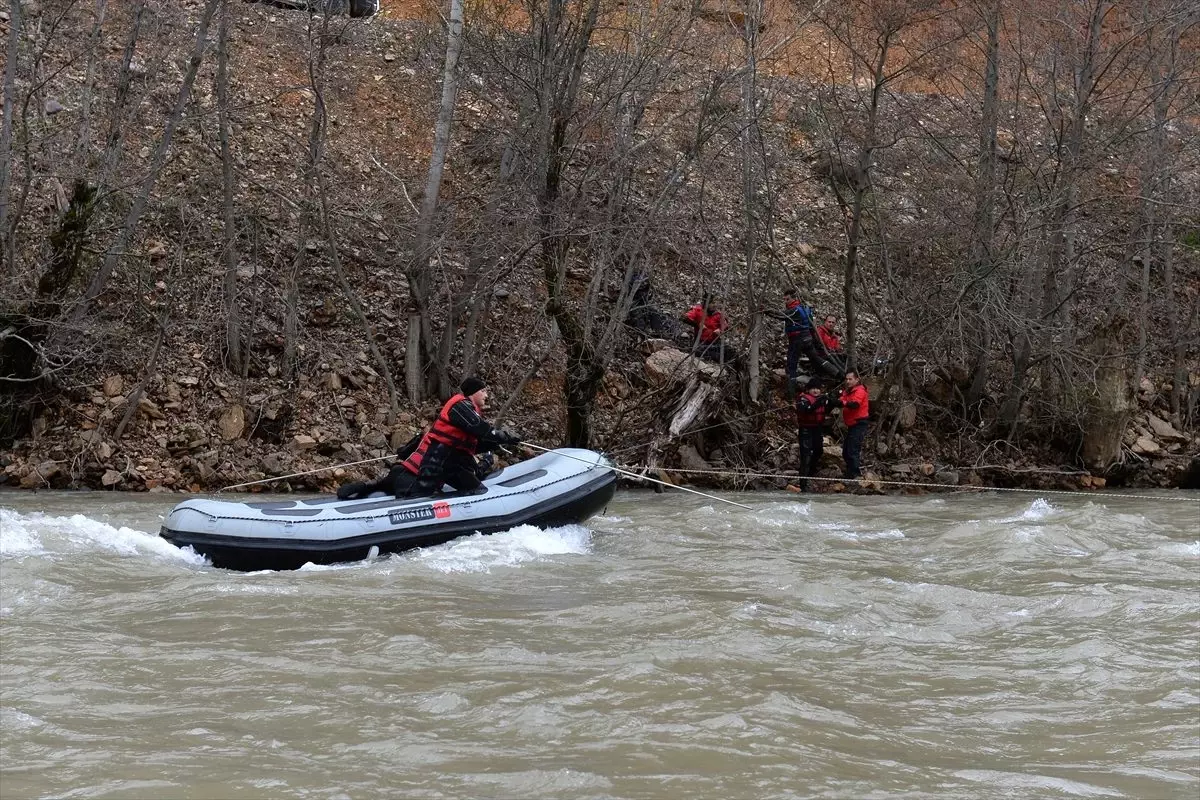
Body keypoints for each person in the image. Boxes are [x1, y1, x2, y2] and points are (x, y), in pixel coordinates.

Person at [406, 376, 522, 496]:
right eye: (483, 391)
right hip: (439, 461)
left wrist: (496, 443)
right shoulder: (460, 406)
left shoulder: (468, 411)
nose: (486, 396)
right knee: (425, 493)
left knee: (473, 486)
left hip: (451, 462)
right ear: (473, 392)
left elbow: (473, 444)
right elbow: (481, 428)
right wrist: (505, 436)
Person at [336, 430, 498, 500]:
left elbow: (402, 452)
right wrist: (487, 461)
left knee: (377, 486)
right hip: (412, 481)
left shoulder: (427, 436)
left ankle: (362, 486)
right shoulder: (455, 451)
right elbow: (472, 478)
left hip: (397, 472)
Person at [782, 288, 841, 383]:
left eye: (787, 299)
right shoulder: (805, 308)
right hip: (808, 339)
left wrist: (766, 311)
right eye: (784, 299)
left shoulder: (794, 310)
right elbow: (811, 326)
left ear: (794, 298)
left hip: (798, 340)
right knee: (816, 358)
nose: (786, 302)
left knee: (792, 362)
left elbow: (781, 315)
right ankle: (838, 374)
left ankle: (791, 386)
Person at [795, 377, 834, 491]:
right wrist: (818, 403)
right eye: (813, 389)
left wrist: (829, 401)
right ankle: (803, 483)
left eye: (818, 389)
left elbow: (826, 410)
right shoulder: (803, 399)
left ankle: (811, 471)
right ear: (808, 390)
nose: (816, 391)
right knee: (805, 455)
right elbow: (806, 410)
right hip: (806, 429)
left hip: (817, 429)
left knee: (819, 451)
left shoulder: (821, 399)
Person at [830, 370, 870, 479]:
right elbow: (842, 400)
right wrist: (833, 400)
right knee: (846, 451)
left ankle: (855, 475)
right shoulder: (848, 391)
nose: (847, 381)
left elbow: (855, 404)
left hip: (859, 423)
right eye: (846, 379)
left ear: (857, 379)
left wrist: (841, 403)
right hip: (852, 424)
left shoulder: (860, 391)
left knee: (852, 450)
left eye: (850, 379)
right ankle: (850, 473)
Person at [681, 294, 733, 363]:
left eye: (715, 303)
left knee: (730, 351)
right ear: (706, 303)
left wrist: (720, 330)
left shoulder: (718, 315)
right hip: (700, 343)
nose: (714, 305)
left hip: (714, 343)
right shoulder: (698, 310)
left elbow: (726, 325)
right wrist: (697, 324)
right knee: (701, 352)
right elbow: (684, 317)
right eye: (712, 303)